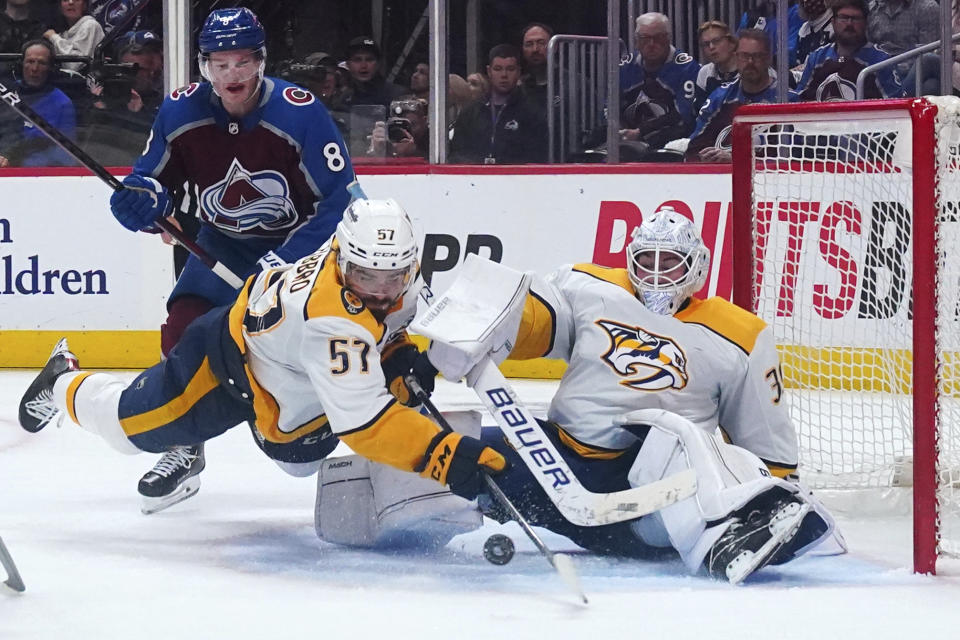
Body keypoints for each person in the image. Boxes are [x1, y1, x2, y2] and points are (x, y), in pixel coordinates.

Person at [401, 207, 838, 583]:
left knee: (672, 433)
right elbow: (537, 323)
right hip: (557, 466)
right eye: (646, 259)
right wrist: (477, 326)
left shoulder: (740, 335)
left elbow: (764, 437)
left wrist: (780, 488)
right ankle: (387, 514)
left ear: (698, 266)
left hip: (653, 496)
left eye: (670, 262)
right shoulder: (589, 287)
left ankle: (738, 530)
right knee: (443, 446)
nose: (655, 273)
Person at [17, 199, 507, 521]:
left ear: (410, 264)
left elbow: (397, 330)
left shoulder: (396, 276)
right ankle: (64, 382)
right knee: (129, 432)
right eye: (365, 277)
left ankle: (271, 420)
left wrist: (404, 355)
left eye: (392, 276)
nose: (381, 291)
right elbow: (366, 425)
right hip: (227, 362)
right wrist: (443, 456)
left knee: (297, 459)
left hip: (292, 380)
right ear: (341, 258)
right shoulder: (329, 317)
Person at [106, 7, 355, 514]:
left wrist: (282, 262)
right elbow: (149, 176)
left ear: (261, 61)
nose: (231, 75)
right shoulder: (181, 110)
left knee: (304, 345)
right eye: (219, 64)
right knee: (184, 324)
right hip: (223, 241)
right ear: (204, 66)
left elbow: (340, 203)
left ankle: (327, 426)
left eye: (242, 61)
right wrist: (142, 200)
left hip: (299, 248)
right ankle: (183, 446)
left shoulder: (300, 112)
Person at [686, 29, 778, 163]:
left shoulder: (786, 100)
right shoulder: (719, 98)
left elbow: (798, 155)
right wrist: (703, 158)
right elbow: (694, 150)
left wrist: (739, 160)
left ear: (768, 58)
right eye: (744, 56)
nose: (750, 62)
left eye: (757, 56)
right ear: (736, 57)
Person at [450, 44, 547, 164]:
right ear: (489, 71)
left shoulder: (532, 111)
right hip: (475, 179)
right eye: (498, 69)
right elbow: (456, 153)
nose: (504, 75)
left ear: (518, 72)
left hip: (516, 179)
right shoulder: (471, 111)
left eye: (510, 69)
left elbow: (537, 157)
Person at [619, 13, 701, 155]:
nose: (651, 44)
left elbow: (684, 115)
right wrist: (617, 130)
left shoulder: (687, 67)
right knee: (596, 137)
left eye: (658, 38)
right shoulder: (625, 66)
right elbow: (609, 106)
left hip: (670, 135)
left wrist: (640, 132)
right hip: (630, 132)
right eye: (645, 38)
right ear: (637, 41)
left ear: (668, 38)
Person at [791, 0, 904, 101]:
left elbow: (897, 104)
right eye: (844, 18)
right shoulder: (816, 58)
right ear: (833, 22)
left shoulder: (880, 61)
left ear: (865, 23)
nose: (849, 23)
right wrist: (773, 84)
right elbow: (800, 99)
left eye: (855, 18)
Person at [0, 39, 75, 167]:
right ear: (21, 64)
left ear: (51, 67)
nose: (34, 68)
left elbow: (66, 154)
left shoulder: (63, 102)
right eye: (30, 61)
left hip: (40, 174)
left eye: (42, 63)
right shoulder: (5, 94)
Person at [43, 0, 104, 70]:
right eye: (65, 0)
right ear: (60, 6)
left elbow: (75, 65)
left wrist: (54, 38)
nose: (71, 2)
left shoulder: (90, 25)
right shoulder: (63, 32)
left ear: (84, 5)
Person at [693, 21, 738, 116]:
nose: (711, 47)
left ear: (731, 43)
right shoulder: (705, 72)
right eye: (706, 44)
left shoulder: (751, 69)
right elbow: (700, 113)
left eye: (716, 41)